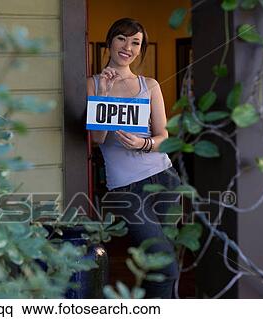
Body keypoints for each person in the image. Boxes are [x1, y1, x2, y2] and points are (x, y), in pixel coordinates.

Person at [87, 18, 181, 298]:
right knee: (165, 266)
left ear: (141, 49)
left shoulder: (149, 85)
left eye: (135, 42)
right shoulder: (92, 84)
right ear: (109, 42)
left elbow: (164, 138)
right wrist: (103, 93)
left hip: (165, 180)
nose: (127, 47)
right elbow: (97, 139)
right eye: (121, 39)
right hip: (127, 188)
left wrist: (143, 143)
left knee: (162, 265)